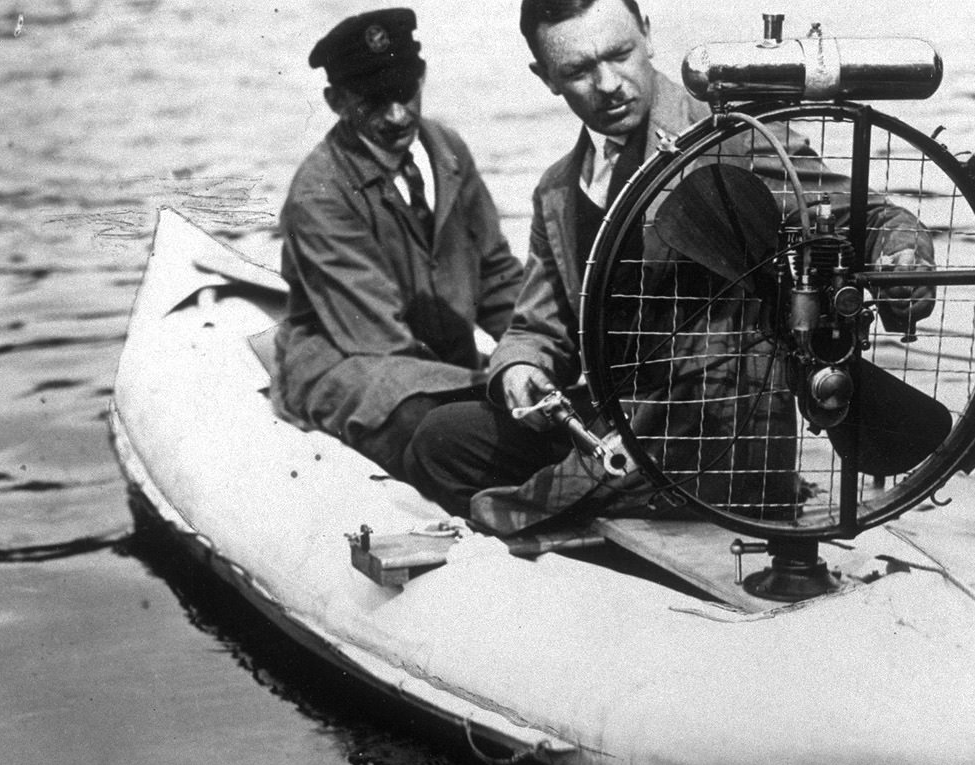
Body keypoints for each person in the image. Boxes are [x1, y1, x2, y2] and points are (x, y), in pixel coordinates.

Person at [402, 0, 932, 529]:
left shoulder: (731, 139)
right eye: (579, 71)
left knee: (508, 507)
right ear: (546, 77)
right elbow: (538, 327)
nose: (608, 84)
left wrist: (902, 261)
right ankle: (581, 517)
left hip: (709, 428)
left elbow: (870, 218)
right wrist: (521, 369)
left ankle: (587, 521)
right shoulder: (559, 190)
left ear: (648, 36)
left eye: (619, 54)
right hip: (610, 424)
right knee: (440, 441)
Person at [273, 8, 524, 476]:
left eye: (405, 92)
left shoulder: (446, 149)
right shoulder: (317, 194)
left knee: (529, 401)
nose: (396, 114)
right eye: (373, 99)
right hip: (357, 370)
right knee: (436, 425)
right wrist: (494, 386)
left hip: (439, 368)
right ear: (335, 101)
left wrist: (537, 354)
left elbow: (496, 274)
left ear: (422, 78)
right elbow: (375, 336)